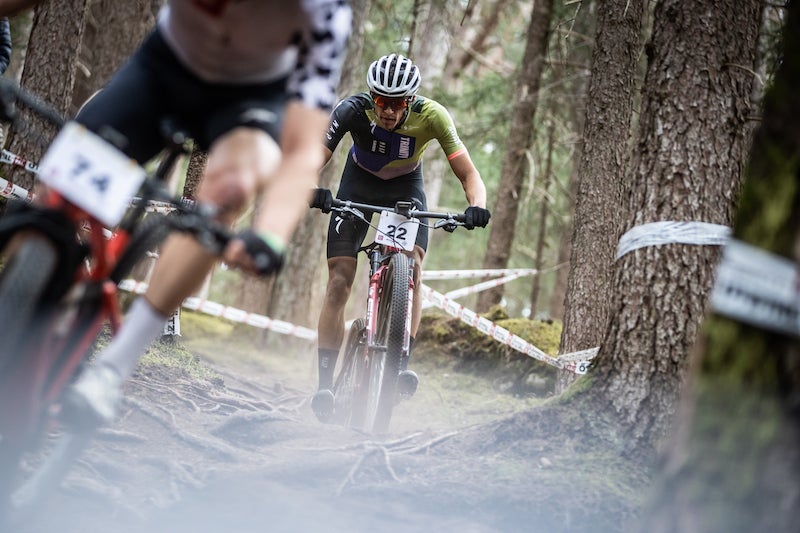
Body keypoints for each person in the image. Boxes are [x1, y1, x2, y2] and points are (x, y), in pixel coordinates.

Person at [0, 0, 352, 427]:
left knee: (230, 189)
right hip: (162, 70)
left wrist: (271, 234)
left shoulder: (323, 9)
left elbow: (301, 151)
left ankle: (113, 368)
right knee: (57, 196)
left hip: (248, 102)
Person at [309, 53, 491, 421]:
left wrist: (478, 205)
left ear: (410, 101)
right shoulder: (351, 110)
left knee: (414, 270)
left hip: (405, 189)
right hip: (357, 186)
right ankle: (325, 385)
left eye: (396, 104)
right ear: (371, 97)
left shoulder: (434, 116)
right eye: (380, 102)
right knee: (339, 282)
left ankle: (400, 359)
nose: (387, 111)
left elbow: (469, 173)